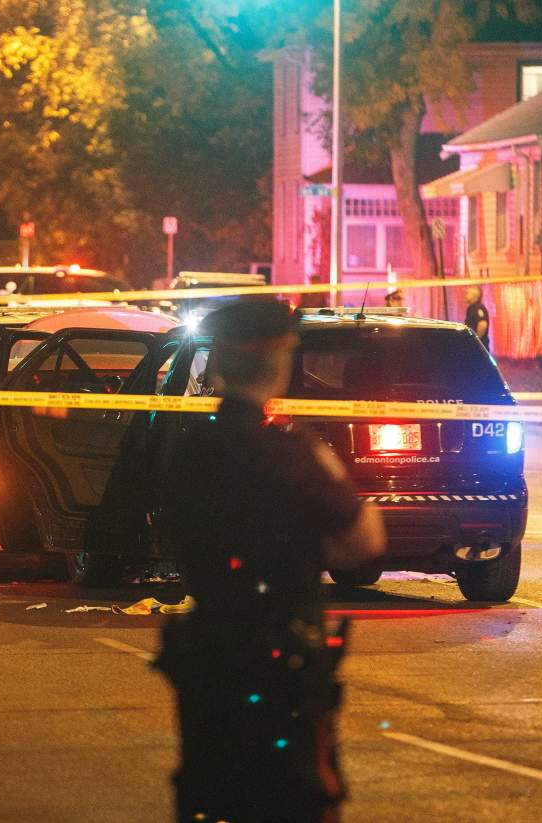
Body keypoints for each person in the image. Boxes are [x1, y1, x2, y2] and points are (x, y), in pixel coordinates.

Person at [154, 299, 385, 823]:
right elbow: (365, 543)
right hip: (281, 674)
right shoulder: (292, 453)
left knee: (211, 799)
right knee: (294, 799)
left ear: (217, 364)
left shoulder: (189, 453)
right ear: (282, 360)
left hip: (210, 665)